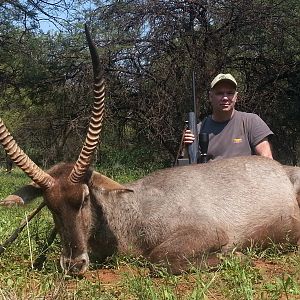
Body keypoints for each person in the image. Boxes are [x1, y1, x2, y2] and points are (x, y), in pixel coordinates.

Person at [184, 73, 273, 161]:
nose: (225, 98)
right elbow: (189, 166)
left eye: (230, 93)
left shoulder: (251, 122)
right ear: (210, 97)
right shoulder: (199, 130)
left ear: (236, 97)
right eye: (220, 93)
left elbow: (267, 161)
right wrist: (185, 148)